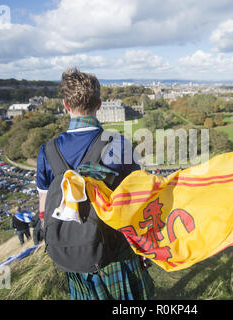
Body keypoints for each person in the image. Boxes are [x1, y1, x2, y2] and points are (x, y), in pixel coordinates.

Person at [36, 67, 154, 300]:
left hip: (71, 249)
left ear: (65, 105)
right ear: (99, 104)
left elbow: (43, 209)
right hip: (115, 251)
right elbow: (136, 202)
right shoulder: (118, 144)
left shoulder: (47, 151)